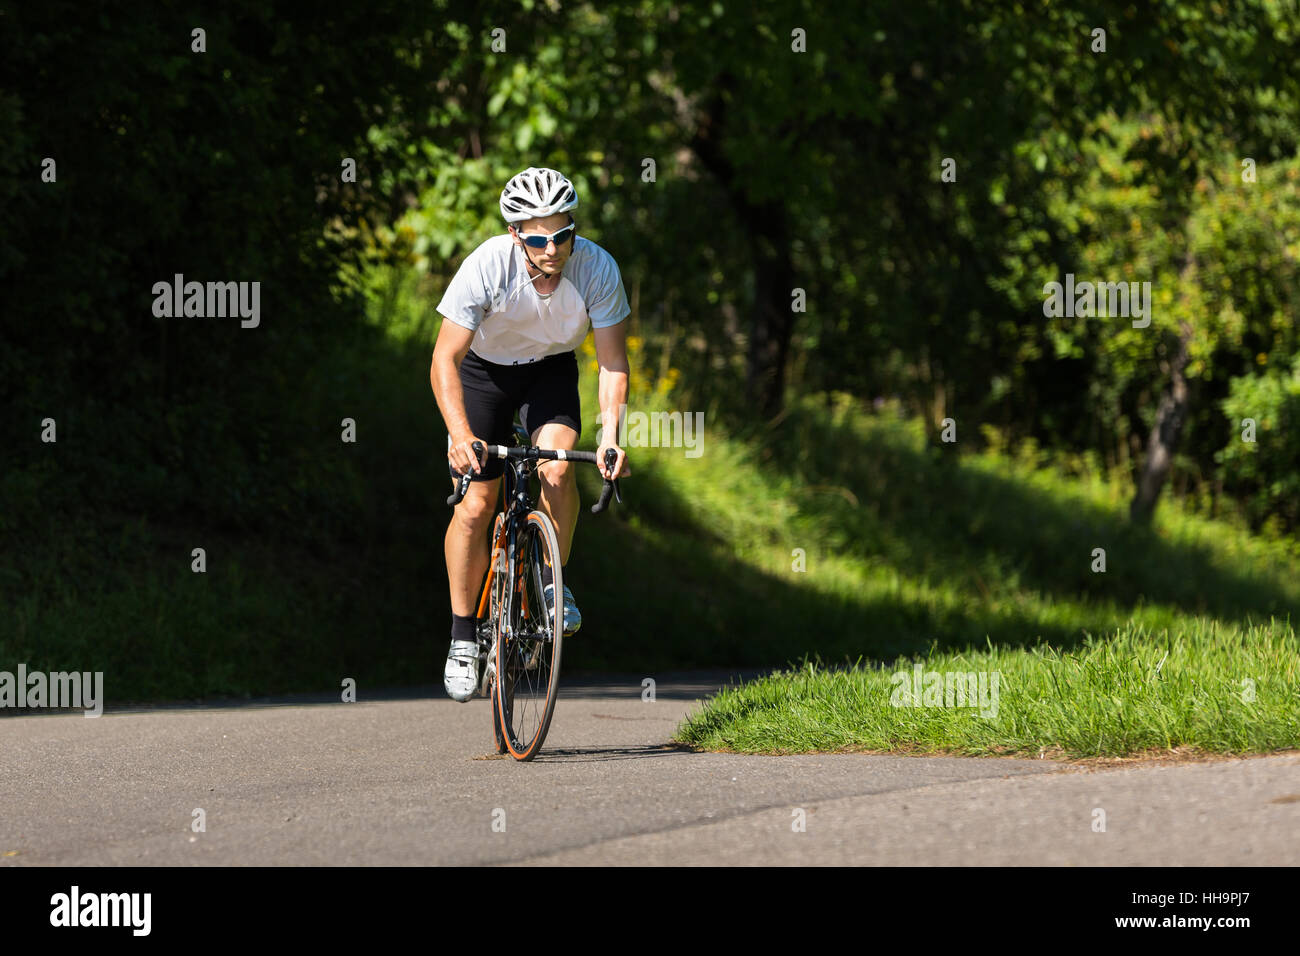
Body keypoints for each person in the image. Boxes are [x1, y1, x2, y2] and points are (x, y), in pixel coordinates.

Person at [430, 166, 631, 702]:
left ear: (573, 228)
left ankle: (550, 581)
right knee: (475, 505)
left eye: (562, 234)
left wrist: (611, 434)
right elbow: (443, 358)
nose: (552, 248)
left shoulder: (596, 268)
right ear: (516, 233)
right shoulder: (487, 266)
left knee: (560, 466)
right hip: (484, 373)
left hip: (549, 371)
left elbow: (611, 361)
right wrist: (457, 434)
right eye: (538, 238)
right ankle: (463, 637)